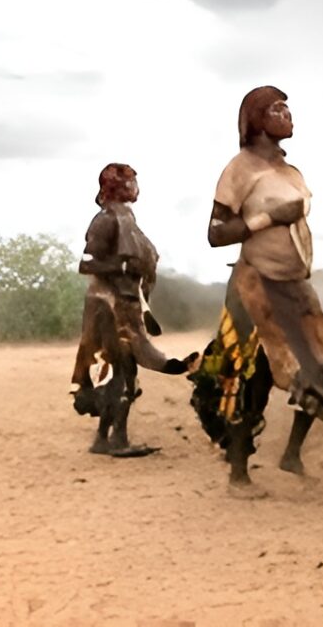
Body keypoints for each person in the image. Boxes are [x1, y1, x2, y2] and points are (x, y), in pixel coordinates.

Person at [190, 85, 323, 485]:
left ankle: (291, 455)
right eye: (277, 109)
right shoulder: (239, 169)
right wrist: (269, 219)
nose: (288, 115)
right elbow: (215, 233)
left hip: (294, 284)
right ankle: (238, 473)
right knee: (249, 376)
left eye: (288, 108)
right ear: (257, 120)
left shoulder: (291, 172)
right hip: (255, 287)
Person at [70, 162, 198, 456]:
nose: (136, 186)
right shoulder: (104, 220)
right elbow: (87, 263)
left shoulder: (126, 218)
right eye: (131, 181)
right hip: (109, 306)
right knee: (124, 373)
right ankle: (116, 439)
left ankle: (105, 438)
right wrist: (124, 266)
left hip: (127, 305)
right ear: (119, 186)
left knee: (123, 373)